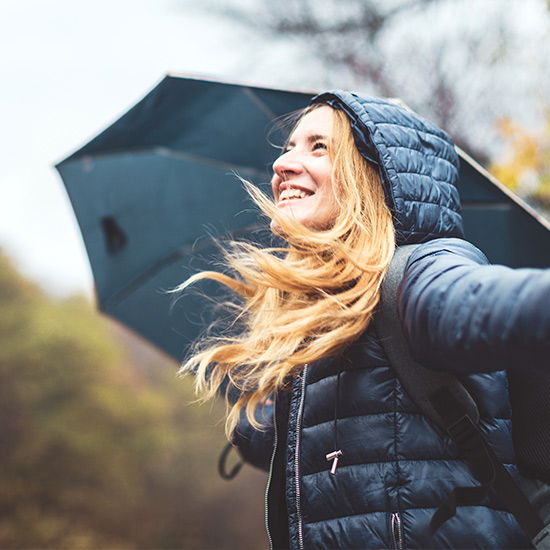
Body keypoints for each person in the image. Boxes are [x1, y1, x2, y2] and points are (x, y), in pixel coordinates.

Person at [177, 91, 550, 549]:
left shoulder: (417, 276)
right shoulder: (317, 316)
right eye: (289, 147)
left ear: (375, 177)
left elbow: (500, 307)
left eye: (319, 147)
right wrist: (254, 399)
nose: (284, 164)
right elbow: (282, 443)